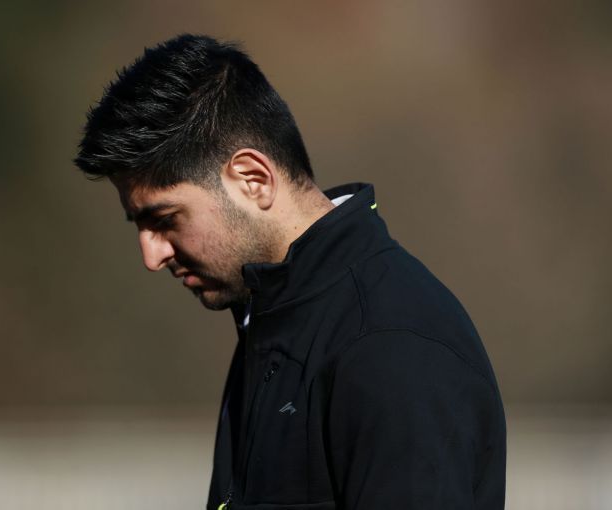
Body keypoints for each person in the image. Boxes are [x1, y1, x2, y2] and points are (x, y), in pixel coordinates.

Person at [74, 34, 506, 510]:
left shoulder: (390, 346)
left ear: (253, 179)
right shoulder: (274, 318)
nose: (151, 255)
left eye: (165, 219)